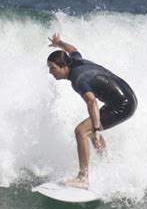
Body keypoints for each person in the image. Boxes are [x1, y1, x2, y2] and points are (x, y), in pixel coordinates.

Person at [47, 33, 138, 189]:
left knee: (81, 131)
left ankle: (83, 178)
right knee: (89, 130)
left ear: (64, 66)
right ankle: (106, 163)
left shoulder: (78, 79)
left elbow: (91, 101)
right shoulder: (75, 60)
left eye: (53, 68)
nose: (50, 72)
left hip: (123, 105)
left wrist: (96, 129)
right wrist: (59, 43)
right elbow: (73, 49)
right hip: (126, 97)